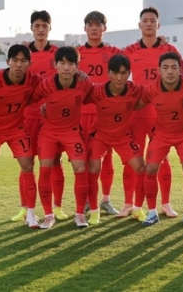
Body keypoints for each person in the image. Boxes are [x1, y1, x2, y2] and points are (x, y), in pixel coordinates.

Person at [122, 7, 182, 218]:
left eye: (152, 20)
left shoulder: (169, 50)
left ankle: (165, 203)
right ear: (139, 25)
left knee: (162, 160)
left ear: (158, 25)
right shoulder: (129, 51)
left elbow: (180, 76)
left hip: (161, 114)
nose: (148, 24)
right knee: (134, 158)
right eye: (145, 20)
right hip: (138, 113)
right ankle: (129, 203)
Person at [0, 44, 42, 231]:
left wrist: (79, 76)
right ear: (8, 62)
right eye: (15, 60)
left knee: (28, 166)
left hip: (17, 129)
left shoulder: (34, 80)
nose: (19, 65)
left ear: (29, 63)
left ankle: (30, 214)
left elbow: (53, 85)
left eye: (23, 61)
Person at [12, 10, 68, 224]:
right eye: (37, 25)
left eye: (45, 25)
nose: (41, 29)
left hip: (52, 118)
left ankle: (58, 207)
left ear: (50, 28)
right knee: (27, 163)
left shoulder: (59, 53)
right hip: (27, 116)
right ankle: (25, 208)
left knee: (55, 161)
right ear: (32, 28)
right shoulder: (23, 53)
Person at [138, 52, 183, 227]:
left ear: (181, 70)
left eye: (174, 68)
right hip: (161, 134)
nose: (169, 72)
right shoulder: (151, 89)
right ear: (158, 70)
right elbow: (136, 104)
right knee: (150, 169)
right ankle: (152, 213)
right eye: (165, 67)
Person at [30, 46, 93, 229]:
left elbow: (94, 97)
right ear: (55, 65)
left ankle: (80, 214)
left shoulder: (84, 83)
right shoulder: (46, 84)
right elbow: (31, 100)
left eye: (71, 64)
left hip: (72, 131)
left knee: (81, 168)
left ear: (77, 66)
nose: (66, 68)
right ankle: (49, 215)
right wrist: (44, 109)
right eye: (62, 63)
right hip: (48, 132)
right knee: (45, 168)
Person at [85, 54, 147, 225]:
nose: (119, 78)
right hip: (100, 135)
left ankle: (138, 208)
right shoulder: (97, 91)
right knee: (93, 169)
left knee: (141, 167)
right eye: (114, 73)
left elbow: (154, 92)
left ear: (129, 73)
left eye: (123, 73)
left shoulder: (135, 90)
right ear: (108, 73)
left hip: (122, 136)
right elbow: (75, 97)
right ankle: (94, 211)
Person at [77, 11, 123, 215]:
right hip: (82, 113)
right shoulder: (76, 53)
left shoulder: (115, 52)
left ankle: (105, 199)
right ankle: (88, 199)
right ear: (85, 28)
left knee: (108, 157)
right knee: (86, 158)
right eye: (90, 24)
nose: (94, 28)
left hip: (106, 113)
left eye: (98, 24)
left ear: (105, 28)